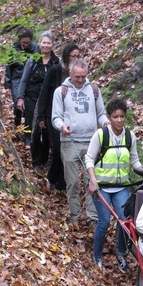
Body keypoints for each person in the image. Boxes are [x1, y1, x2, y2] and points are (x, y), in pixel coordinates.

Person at [85, 98, 143, 272]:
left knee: (125, 222)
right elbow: (89, 158)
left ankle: (120, 253)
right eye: (115, 116)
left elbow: (134, 160)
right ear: (109, 118)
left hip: (121, 187)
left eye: (122, 116)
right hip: (102, 187)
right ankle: (97, 256)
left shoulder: (129, 136)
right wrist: (93, 180)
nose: (119, 120)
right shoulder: (101, 135)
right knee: (104, 222)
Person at [51, 59, 108, 224]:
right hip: (70, 142)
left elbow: (101, 113)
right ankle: (74, 216)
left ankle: (92, 218)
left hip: (91, 142)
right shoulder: (61, 92)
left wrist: (105, 123)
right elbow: (56, 117)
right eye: (77, 77)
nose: (81, 80)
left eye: (83, 76)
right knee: (72, 182)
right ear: (70, 74)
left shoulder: (94, 89)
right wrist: (62, 126)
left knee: (91, 181)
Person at [36, 44, 80, 192]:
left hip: (70, 118)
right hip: (53, 115)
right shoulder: (55, 70)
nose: (75, 59)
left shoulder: (78, 75)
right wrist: (41, 115)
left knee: (66, 150)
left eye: (78, 56)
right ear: (66, 56)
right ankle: (52, 177)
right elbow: (44, 93)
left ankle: (60, 182)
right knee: (57, 148)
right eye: (73, 56)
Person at [17, 31, 59, 170]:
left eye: (49, 43)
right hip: (32, 99)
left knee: (47, 132)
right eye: (44, 42)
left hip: (49, 103)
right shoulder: (32, 61)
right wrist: (20, 98)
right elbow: (24, 80)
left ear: (52, 45)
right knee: (34, 131)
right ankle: (36, 162)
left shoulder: (56, 62)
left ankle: (45, 159)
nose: (46, 46)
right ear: (39, 43)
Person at [4, 29, 39, 135]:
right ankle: (17, 125)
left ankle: (29, 130)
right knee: (18, 104)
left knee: (29, 106)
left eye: (27, 43)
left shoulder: (36, 49)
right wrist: (7, 85)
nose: (25, 45)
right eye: (23, 43)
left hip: (31, 79)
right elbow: (8, 68)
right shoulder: (13, 49)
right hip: (17, 79)